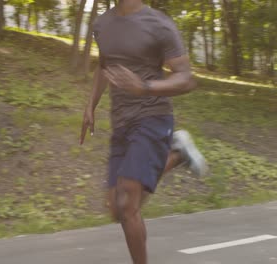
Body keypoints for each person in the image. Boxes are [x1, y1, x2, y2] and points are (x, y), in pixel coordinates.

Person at [79, 1, 209, 263]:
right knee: (116, 208)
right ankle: (177, 153)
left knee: (128, 204)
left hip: (153, 117)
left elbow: (186, 78)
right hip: (121, 122)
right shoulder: (102, 24)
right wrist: (90, 105)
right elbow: (105, 66)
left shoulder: (159, 25)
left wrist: (145, 87)